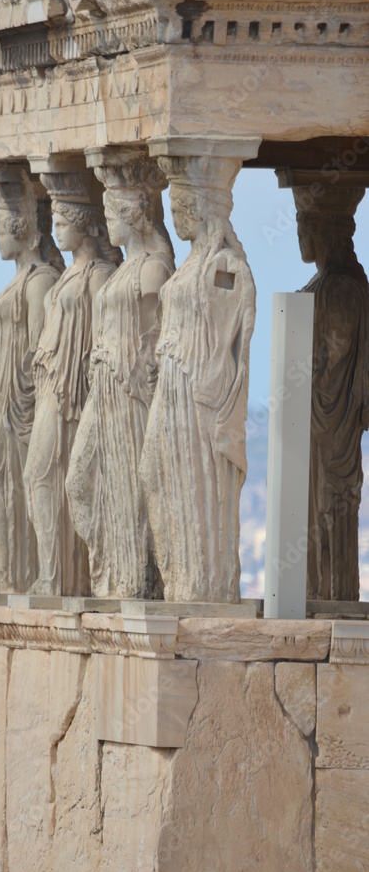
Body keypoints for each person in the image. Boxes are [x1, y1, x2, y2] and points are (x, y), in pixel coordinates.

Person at [141, 156, 255, 603]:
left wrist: (209, 383)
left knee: (191, 481)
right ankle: (178, 577)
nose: (175, 218)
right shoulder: (191, 264)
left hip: (195, 390)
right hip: (171, 383)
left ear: (202, 209)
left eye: (180, 208)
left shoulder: (224, 264)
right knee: (153, 471)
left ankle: (199, 582)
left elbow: (232, 332)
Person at [67, 162, 174, 598]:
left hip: (131, 393)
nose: (107, 221)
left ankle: (135, 580)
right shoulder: (126, 269)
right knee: (80, 481)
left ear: (134, 215)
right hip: (104, 387)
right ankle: (110, 566)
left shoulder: (153, 271)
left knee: (129, 487)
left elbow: (157, 342)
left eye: (112, 213)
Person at [25, 175, 120, 596]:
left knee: (45, 474)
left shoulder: (99, 276)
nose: (57, 230)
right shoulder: (64, 276)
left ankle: (63, 577)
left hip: (73, 392)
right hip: (50, 383)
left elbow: (103, 337)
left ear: (84, 225)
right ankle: (54, 573)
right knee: (37, 475)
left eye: (64, 223)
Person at [0, 177, 64, 593]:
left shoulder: (41, 280)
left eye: (0, 230)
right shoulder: (19, 279)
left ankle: (15, 574)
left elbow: (38, 348)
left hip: (19, 400)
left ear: (22, 229)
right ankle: (8, 572)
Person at [295, 185, 369, 601]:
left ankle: (335, 595)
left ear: (320, 230)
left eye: (303, 225)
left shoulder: (339, 288)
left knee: (330, 501)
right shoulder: (325, 283)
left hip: (330, 419)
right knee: (315, 505)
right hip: (311, 417)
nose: (299, 236)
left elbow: (333, 362)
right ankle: (318, 592)